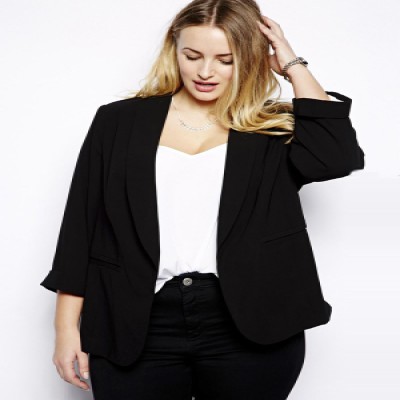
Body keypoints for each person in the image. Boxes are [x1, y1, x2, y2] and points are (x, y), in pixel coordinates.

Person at [40, 0, 365, 399]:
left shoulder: (271, 127)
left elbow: (336, 158)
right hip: (135, 319)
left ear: (248, 58)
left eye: (225, 60)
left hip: (252, 322)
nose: (205, 72)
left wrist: (292, 64)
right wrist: (65, 329)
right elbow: (82, 227)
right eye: (192, 56)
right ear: (173, 50)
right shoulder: (119, 121)